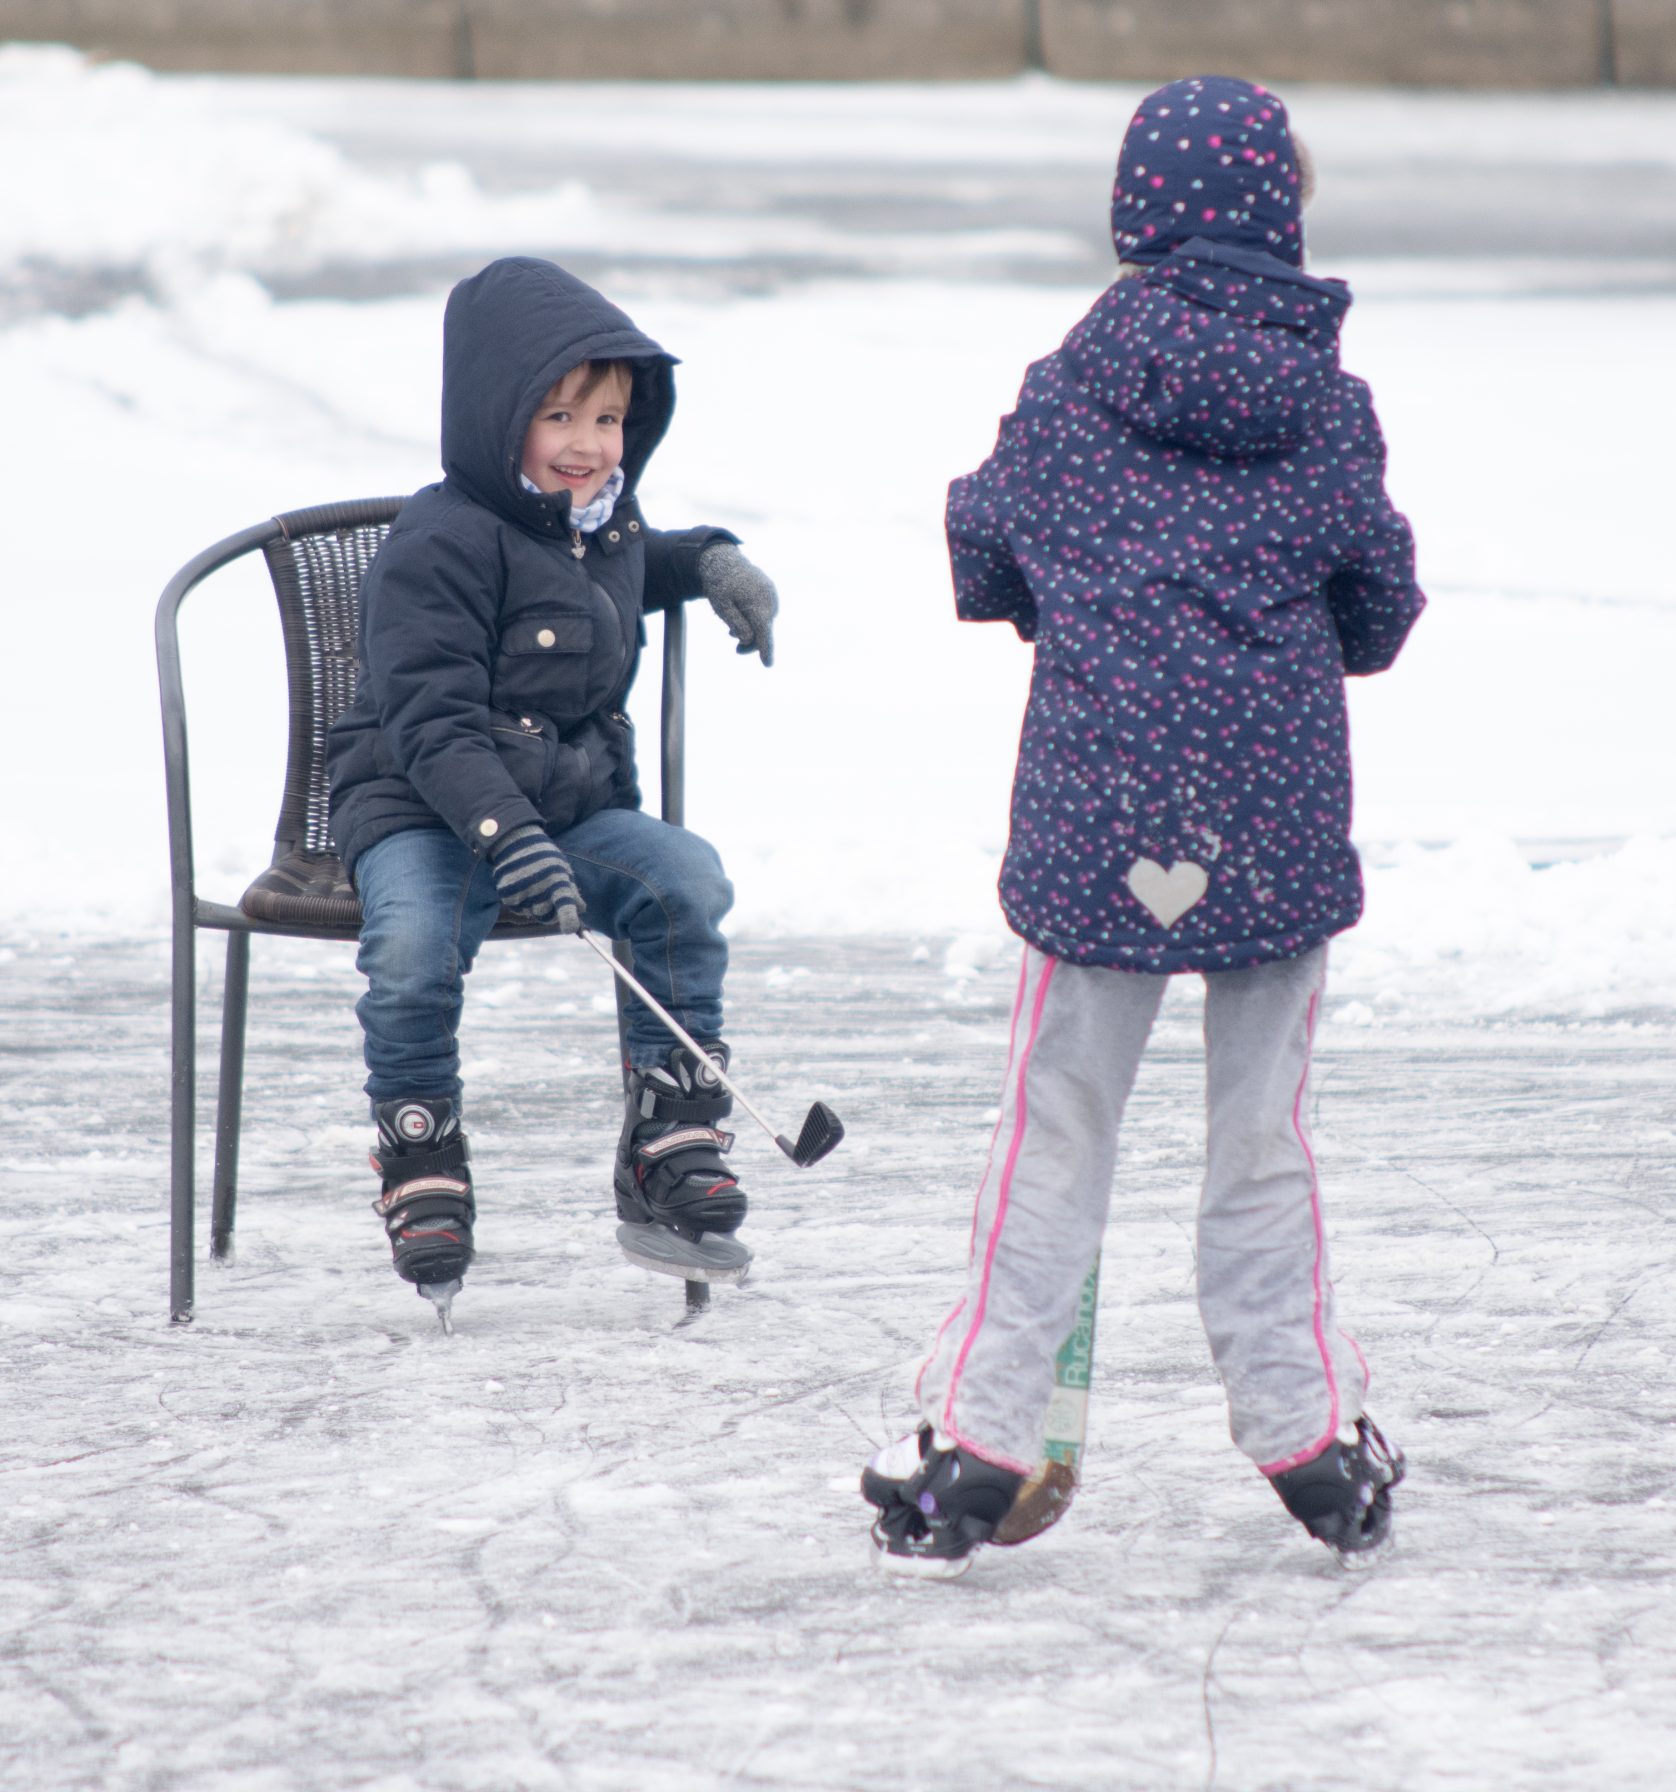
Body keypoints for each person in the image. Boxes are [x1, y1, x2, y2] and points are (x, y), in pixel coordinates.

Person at [862, 76, 1426, 1574]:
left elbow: (979, 547)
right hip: (1277, 825)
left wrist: (1087, 602)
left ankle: (983, 1437)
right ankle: (1307, 1435)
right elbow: (1380, 608)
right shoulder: (1331, 409)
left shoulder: (1069, 388)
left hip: (1097, 816)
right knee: (1263, 1139)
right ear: (1285, 221)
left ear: (1134, 214)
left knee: (1054, 1136)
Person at [324, 255, 782, 1322]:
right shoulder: (436, 544)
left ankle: (670, 1133)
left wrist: (708, 560)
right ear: (498, 416)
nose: (587, 444)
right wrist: (501, 831)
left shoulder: (602, 520)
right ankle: (421, 1149)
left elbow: (630, 564)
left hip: (563, 811)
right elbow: (429, 720)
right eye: (561, 415)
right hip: (423, 808)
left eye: (611, 419)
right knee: (412, 944)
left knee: (683, 881)